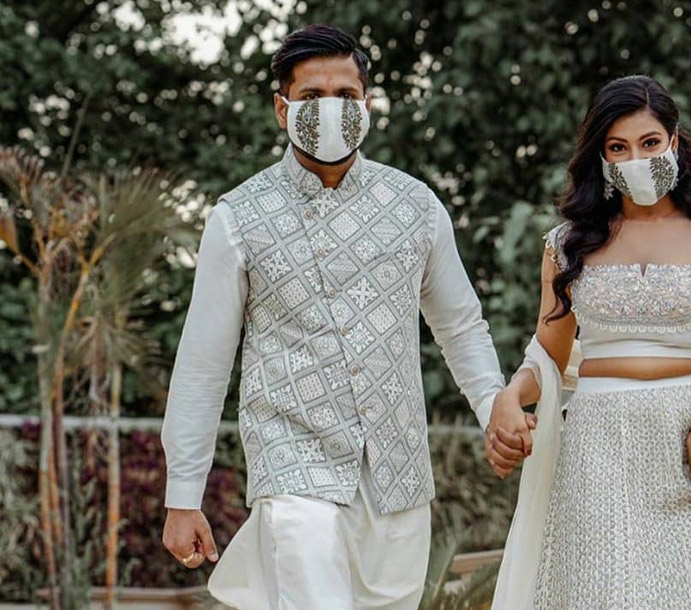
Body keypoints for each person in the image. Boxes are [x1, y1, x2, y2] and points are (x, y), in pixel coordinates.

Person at [159, 24, 531, 610]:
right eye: (311, 97)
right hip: (293, 466)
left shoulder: (416, 207)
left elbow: (460, 325)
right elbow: (204, 362)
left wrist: (493, 408)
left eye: (345, 95)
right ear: (281, 109)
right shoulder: (238, 217)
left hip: (398, 471)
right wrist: (183, 495)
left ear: (367, 105)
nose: (330, 109)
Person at [488, 75, 691, 609]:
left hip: (686, 441)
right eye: (618, 148)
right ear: (602, 156)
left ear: (674, 141)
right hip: (595, 447)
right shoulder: (568, 244)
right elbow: (547, 354)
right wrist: (510, 395)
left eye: (650, 142)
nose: (635, 159)